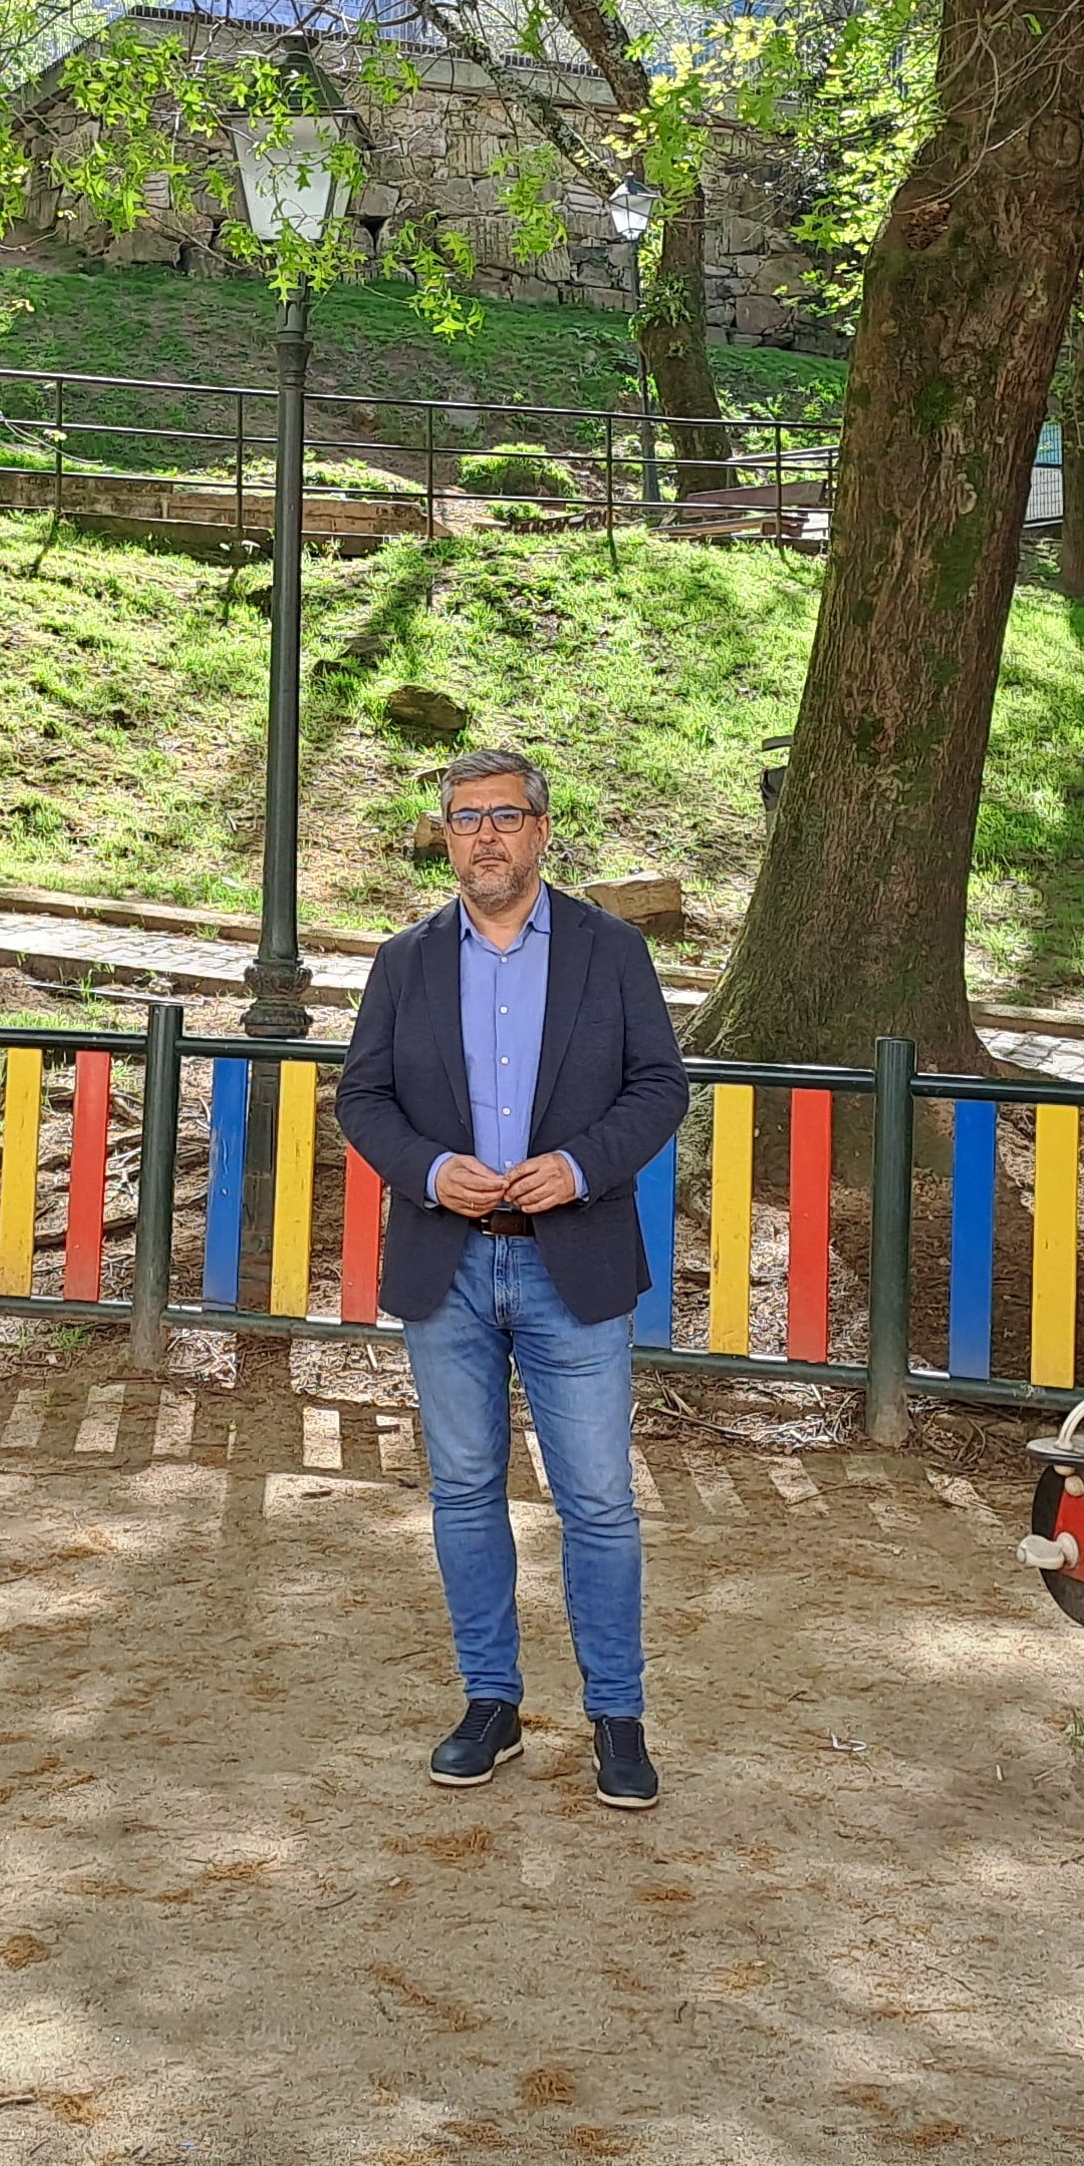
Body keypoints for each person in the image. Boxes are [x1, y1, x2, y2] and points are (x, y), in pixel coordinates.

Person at [336, 745, 689, 1809]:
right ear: (443, 838)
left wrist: (579, 1165)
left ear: (540, 830)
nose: (483, 835)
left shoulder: (609, 949)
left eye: (502, 815)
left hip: (569, 1267)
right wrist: (431, 1169)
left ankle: (616, 1717)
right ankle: (489, 1702)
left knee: (596, 1502)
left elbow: (659, 1084)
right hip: (446, 1267)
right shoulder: (404, 959)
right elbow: (363, 1098)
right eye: (462, 818)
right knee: (463, 1494)